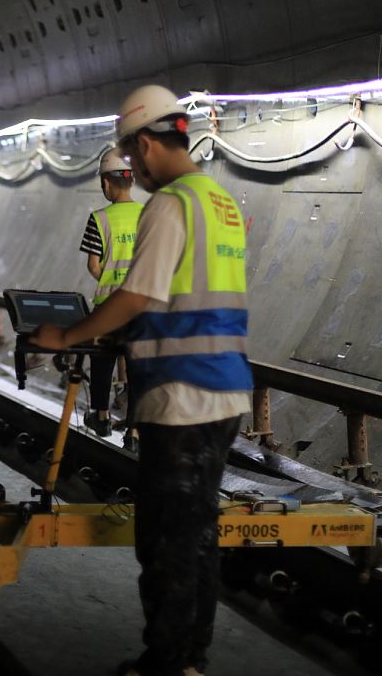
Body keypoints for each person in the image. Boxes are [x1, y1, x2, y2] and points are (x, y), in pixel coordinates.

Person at [30, 84, 252, 676]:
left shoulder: (172, 204)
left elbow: (137, 293)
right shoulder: (219, 201)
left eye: (131, 157)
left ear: (149, 143)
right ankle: (190, 661)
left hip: (181, 393)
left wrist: (65, 336)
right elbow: (184, 296)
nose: (132, 171)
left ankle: (165, 663)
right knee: (198, 534)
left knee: (166, 542)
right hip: (226, 389)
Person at [79, 148, 142, 447]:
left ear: (106, 183)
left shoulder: (99, 219)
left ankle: (101, 417)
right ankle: (134, 432)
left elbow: (94, 265)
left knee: (102, 361)